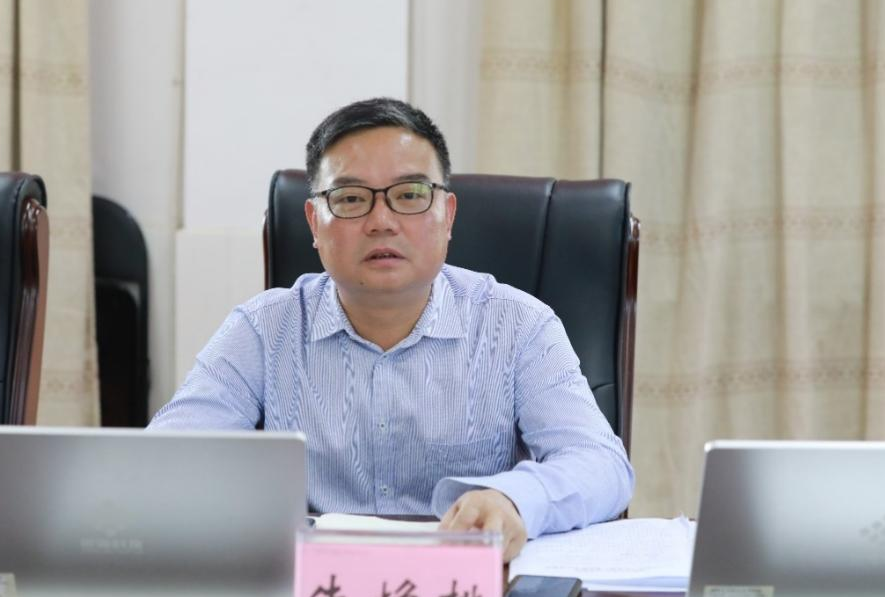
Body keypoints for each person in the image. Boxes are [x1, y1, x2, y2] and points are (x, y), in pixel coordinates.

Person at [149, 98, 634, 561]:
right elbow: (165, 462)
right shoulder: (263, 329)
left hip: (466, 590)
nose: (382, 222)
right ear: (314, 223)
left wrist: (512, 499)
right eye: (350, 198)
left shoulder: (518, 325)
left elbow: (600, 463)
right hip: (316, 590)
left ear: (448, 215)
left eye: (409, 195)